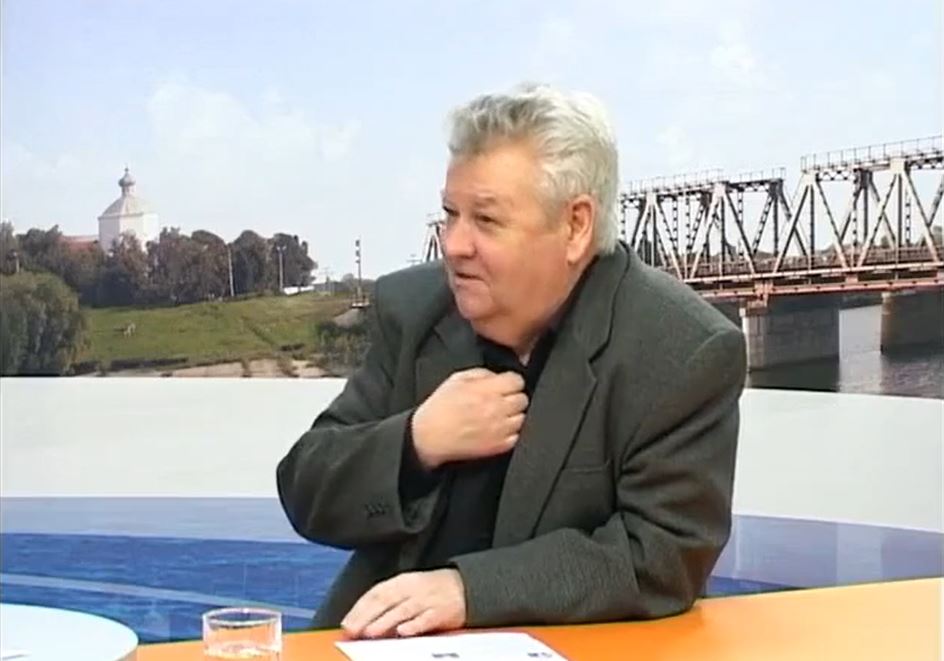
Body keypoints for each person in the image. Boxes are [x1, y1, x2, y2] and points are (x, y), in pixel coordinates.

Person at [276, 83, 746, 639]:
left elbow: (662, 556)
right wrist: (416, 443)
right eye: (450, 214)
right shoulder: (413, 309)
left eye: (486, 220)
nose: (454, 244)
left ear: (575, 226)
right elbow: (306, 487)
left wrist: (467, 591)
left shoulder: (682, 348)